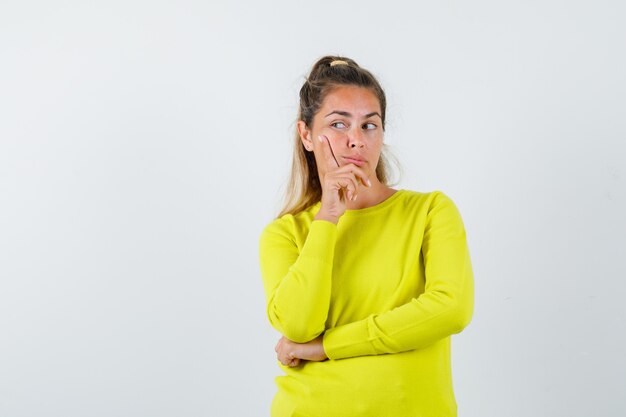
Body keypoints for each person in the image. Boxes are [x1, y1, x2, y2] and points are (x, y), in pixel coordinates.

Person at [258, 55, 475, 417]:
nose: (356, 140)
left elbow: (451, 309)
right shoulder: (285, 233)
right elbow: (298, 325)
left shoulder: (431, 212)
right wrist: (327, 218)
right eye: (339, 124)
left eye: (369, 126)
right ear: (307, 135)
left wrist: (329, 346)